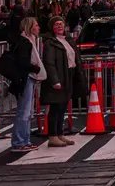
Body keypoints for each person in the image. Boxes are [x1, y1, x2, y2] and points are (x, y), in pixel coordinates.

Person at [5, 16, 45, 152]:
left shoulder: (29, 41)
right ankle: (19, 142)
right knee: (24, 111)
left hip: (27, 78)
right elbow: (22, 62)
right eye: (36, 25)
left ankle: (25, 140)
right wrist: (35, 68)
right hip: (25, 79)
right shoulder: (25, 42)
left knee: (27, 111)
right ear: (29, 27)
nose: (38, 27)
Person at [40, 18, 79, 147]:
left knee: (62, 107)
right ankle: (53, 136)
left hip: (68, 75)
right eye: (56, 24)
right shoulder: (51, 43)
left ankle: (60, 133)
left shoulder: (68, 40)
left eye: (61, 23)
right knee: (55, 107)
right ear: (52, 28)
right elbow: (49, 62)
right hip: (58, 77)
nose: (59, 26)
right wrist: (54, 80)